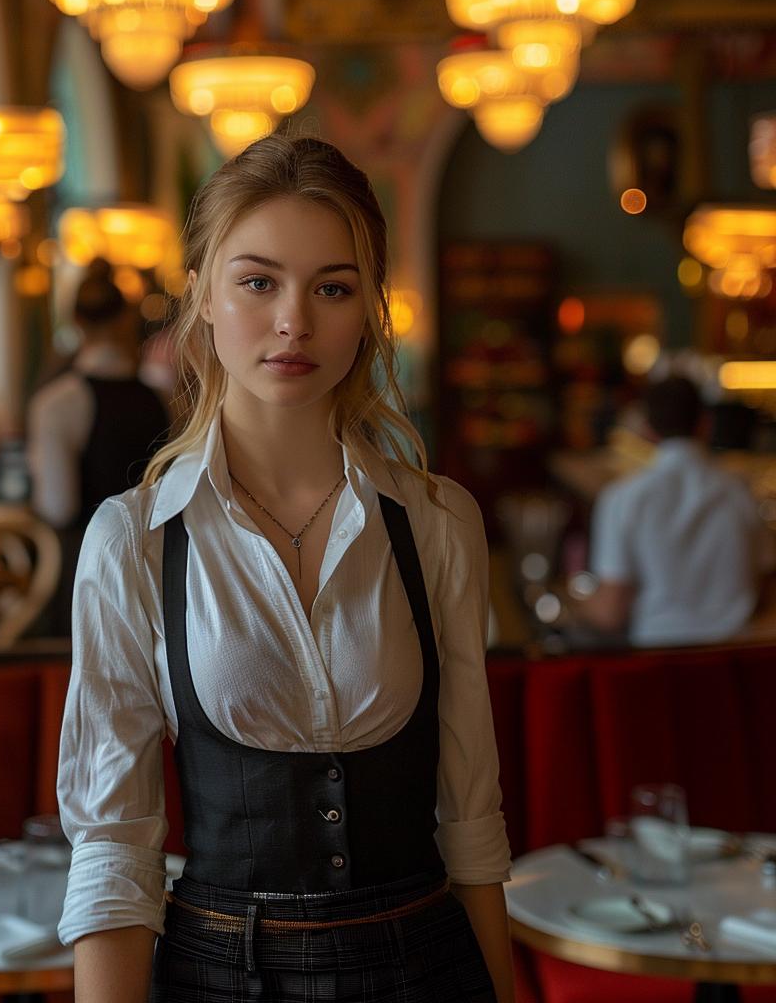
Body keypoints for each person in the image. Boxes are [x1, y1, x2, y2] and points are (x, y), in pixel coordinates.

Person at [57, 135, 514, 1002]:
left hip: (428, 969)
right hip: (220, 975)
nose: (294, 321)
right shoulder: (135, 538)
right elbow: (114, 850)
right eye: (258, 282)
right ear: (200, 297)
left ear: (370, 309)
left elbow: (471, 821)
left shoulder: (439, 521)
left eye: (333, 288)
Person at [575, 375, 773, 647]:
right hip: (734, 662)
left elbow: (611, 612)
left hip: (661, 662)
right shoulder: (742, 492)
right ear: (705, 423)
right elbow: (764, 593)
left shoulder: (623, 498)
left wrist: (578, 603)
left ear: (646, 430)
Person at [27, 262, 171, 634]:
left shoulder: (56, 404)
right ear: (126, 319)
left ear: (74, 320)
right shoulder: (166, 398)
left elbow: (59, 508)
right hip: (159, 574)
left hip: (86, 575)